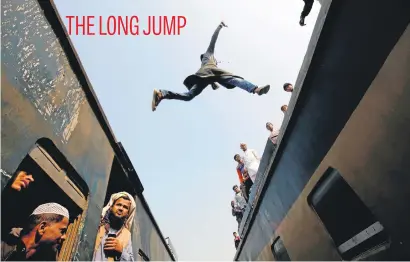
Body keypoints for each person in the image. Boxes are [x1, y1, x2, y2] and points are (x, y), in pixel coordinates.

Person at [151, 21, 271, 111]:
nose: (216, 60)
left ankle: (162, 93)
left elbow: (211, 80)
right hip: (211, 73)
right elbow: (213, 40)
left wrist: (214, 85)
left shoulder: (207, 66)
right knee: (234, 79)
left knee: (188, 96)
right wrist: (220, 26)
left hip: (204, 76)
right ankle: (255, 89)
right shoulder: (208, 55)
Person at [1, 203, 70, 261]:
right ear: (42, 228)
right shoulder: (4, 245)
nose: (64, 237)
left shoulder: (49, 257)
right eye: (62, 231)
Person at [93, 192, 136, 261]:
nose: (121, 208)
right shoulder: (99, 223)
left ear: (128, 213)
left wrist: (121, 251)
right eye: (118, 205)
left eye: (125, 207)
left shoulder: (127, 235)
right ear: (111, 207)